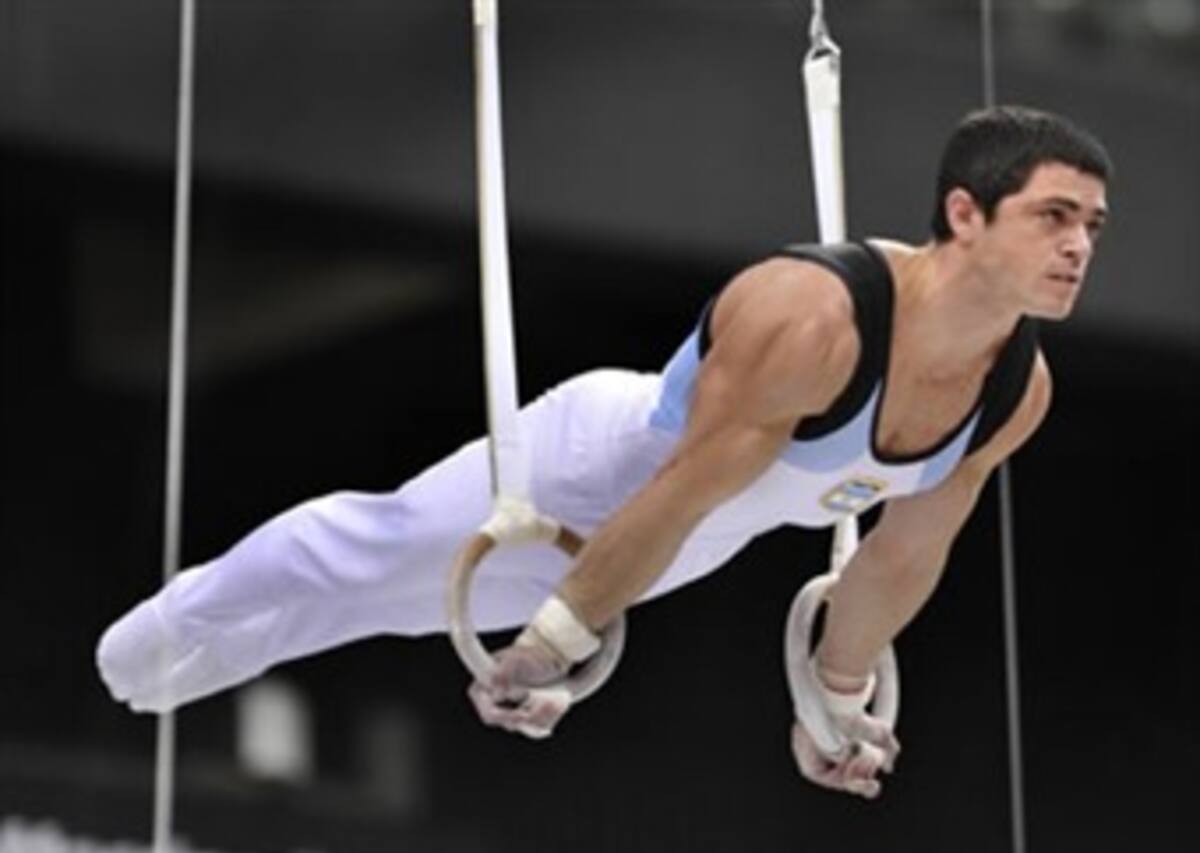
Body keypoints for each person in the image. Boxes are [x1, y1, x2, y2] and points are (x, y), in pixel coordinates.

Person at [97, 105, 1111, 800]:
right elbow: (678, 489)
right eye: (1053, 217)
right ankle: (176, 617)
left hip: (691, 541)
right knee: (376, 552)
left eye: (1093, 227)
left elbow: (902, 557)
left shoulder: (1016, 392)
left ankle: (217, 655)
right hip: (596, 467)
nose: (1078, 247)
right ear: (964, 213)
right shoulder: (815, 319)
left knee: (399, 610)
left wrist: (834, 703)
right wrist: (559, 638)